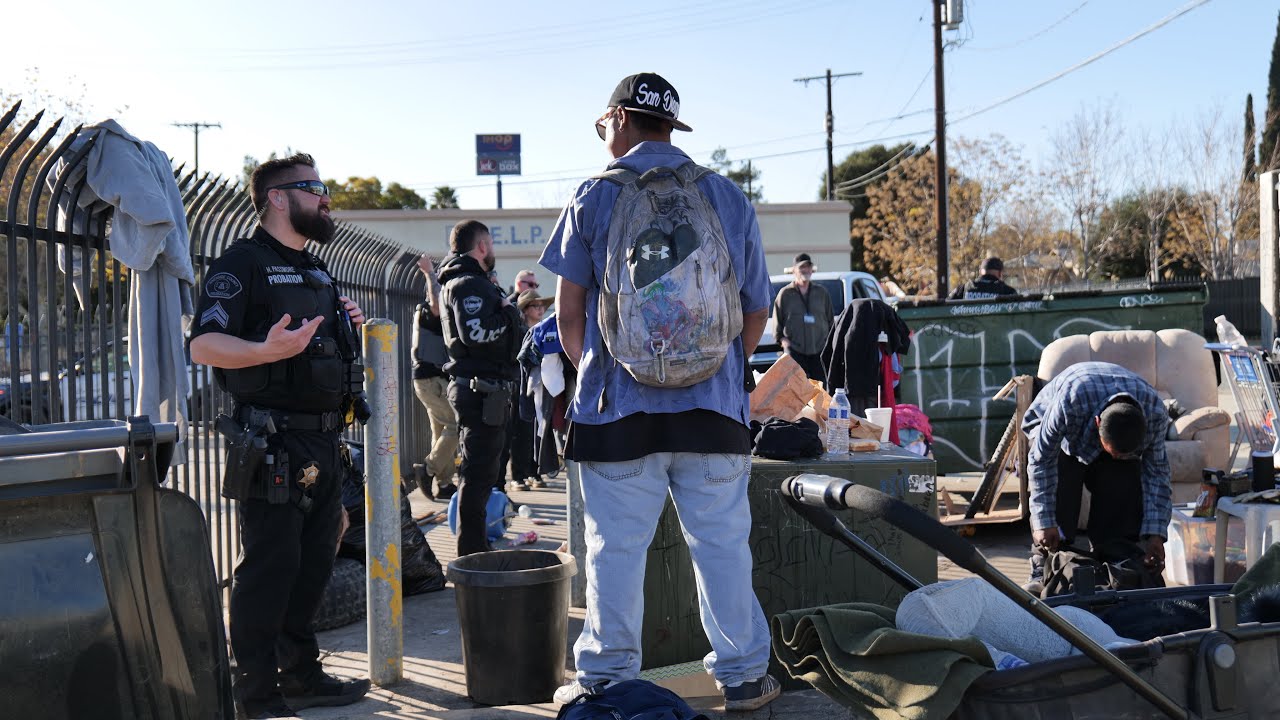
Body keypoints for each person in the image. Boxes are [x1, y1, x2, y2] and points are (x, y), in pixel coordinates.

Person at [540, 72, 779, 711]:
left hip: (617, 416)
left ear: (620, 119)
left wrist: (607, 372)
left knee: (615, 554)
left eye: (603, 125)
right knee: (724, 549)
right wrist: (715, 370)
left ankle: (608, 684)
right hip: (715, 414)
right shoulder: (728, 196)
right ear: (670, 127)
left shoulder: (592, 197)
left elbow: (568, 317)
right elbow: (756, 309)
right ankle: (745, 676)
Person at [189, 153, 371, 719]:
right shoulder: (240, 263)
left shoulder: (318, 270)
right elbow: (203, 345)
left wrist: (348, 324)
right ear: (276, 197)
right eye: (315, 187)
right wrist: (264, 351)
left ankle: (301, 675)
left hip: (324, 440)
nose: (326, 198)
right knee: (270, 568)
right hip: (271, 443)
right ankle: (257, 693)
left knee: (314, 562)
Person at [1021, 361, 1171, 594]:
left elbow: (1157, 473)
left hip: (1106, 424)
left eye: (1124, 453)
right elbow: (1041, 460)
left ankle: (1115, 561)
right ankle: (1043, 562)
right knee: (1062, 479)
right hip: (1061, 434)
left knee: (1124, 477)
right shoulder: (1070, 402)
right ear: (1098, 423)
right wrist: (1043, 521)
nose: (1117, 457)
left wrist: (1156, 535)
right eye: (1113, 452)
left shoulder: (1155, 414)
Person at [437, 219, 524, 557]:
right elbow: (476, 333)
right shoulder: (468, 284)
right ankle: (471, 552)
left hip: (486, 389)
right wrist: (509, 315)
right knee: (478, 474)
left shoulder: (469, 282)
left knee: (484, 472)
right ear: (483, 246)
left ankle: (475, 546)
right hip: (480, 390)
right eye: (492, 245)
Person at [410, 253, 459, 501]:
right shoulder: (431, 311)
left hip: (430, 379)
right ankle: (427, 469)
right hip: (432, 378)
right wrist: (430, 274)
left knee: (441, 429)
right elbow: (437, 303)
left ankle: (446, 482)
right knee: (455, 425)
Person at [505, 289, 555, 492]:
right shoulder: (516, 331)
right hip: (520, 385)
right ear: (525, 310)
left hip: (543, 384)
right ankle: (518, 476)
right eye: (536, 305)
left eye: (542, 305)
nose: (541, 309)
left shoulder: (545, 328)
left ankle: (535, 472)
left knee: (539, 429)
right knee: (520, 431)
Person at [773, 252, 833, 381]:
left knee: (820, 391)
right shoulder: (785, 294)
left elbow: (830, 321)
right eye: (802, 267)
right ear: (794, 270)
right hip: (795, 351)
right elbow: (777, 323)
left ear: (812, 270)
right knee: (796, 391)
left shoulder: (822, 293)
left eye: (808, 267)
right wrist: (784, 342)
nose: (805, 270)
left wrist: (827, 343)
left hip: (819, 350)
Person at [949, 256, 1018, 300]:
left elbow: (946, 306)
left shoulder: (963, 289)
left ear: (980, 272)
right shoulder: (1007, 292)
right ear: (1000, 273)